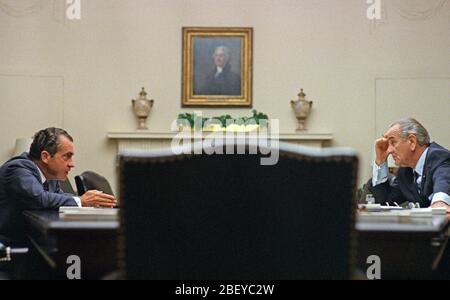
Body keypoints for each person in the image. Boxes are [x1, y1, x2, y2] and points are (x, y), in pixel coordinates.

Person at [0, 127, 117, 245]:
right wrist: (81, 201)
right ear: (45, 156)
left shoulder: (49, 175)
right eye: (67, 156)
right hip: (10, 247)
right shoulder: (17, 169)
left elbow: (58, 197)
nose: (72, 164)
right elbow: (39, 198)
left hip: (31, 242)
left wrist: (88, 204)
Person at [368, 118, 450, 210]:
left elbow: (444, 179)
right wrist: (380, 160)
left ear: (412, 141)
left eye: (393, 142)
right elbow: (385, 202)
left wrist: (440, 202)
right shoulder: (405, 172)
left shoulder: (438, 156)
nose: (389, 150)